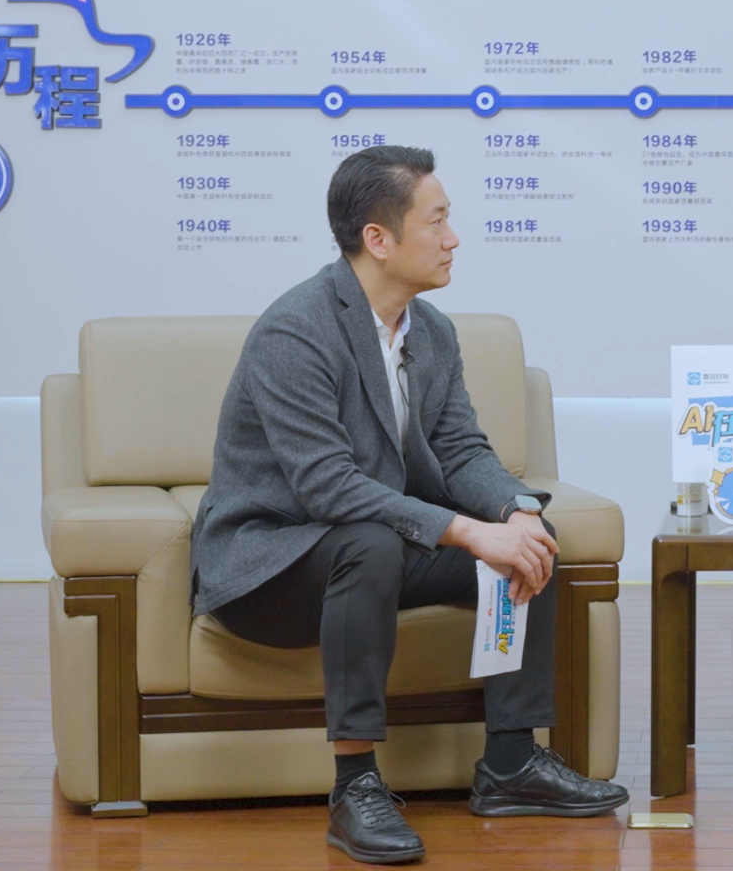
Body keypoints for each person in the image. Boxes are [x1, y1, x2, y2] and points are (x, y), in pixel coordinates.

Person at [190, 145, 627, 865]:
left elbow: (460, 450)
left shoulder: (433, 332)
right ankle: (355, 786)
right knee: (373, 541)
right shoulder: (295, 330)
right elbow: (326, 487)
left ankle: (512, 762)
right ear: (379, 239)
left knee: (531, 539)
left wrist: (513, 511)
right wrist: (466, 532)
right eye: (438, 221)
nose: (454, 238)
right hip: (269, 567)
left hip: (372, 551)